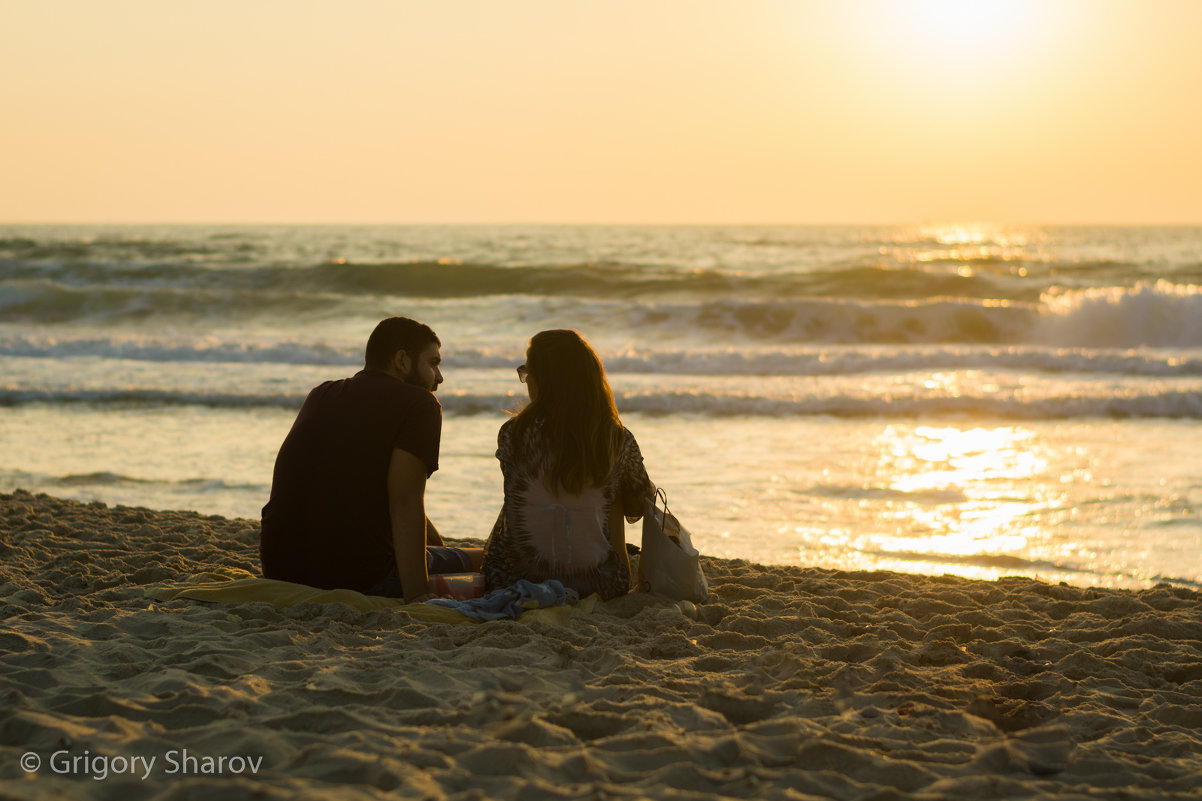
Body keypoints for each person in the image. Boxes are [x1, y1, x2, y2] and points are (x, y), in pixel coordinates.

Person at [260, 316, 481, 602]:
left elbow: (377, 486)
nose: (439, 377)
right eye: (433, 363)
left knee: (445, 557)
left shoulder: (322, 393)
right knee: (490, 559)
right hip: (360, 574)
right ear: (402, 360)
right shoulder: (419, 403)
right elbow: (405, 502)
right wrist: (417, 594)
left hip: (281, 569)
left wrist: (438, 548)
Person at [482, 329, 654, 600]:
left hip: (512, 577)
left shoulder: (512, 434)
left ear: (542, 379)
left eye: (528, 373)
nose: (525, 382)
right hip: (601, 585)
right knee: (614, 483)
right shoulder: (616, 438)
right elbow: (639, 505)